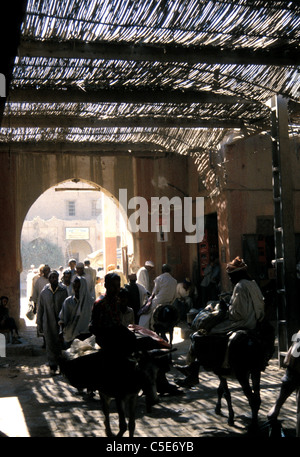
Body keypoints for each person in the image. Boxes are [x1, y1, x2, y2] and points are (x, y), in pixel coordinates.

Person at [176, 256, 265, 387]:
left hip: (242, 321)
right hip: (254, 319)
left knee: (205, 331)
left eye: (230, 276)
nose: (229, 278)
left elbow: (237, 314)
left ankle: (194, 368)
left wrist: (225, 309)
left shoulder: (240, 286)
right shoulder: (252, 283)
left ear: (236, 274)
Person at [89, 273, 137, 358]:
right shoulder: (100, 303)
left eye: (118, 286)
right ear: (106, 285)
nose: (116, 289)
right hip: (106, 340)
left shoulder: (117, 301)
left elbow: (118, 323)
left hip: (117, 335)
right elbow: (93, 327)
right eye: (113, 286)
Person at [37, 270, 68, 375]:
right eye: (52, 277)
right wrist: (39, 323)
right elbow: (40, 308)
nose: (54, 279)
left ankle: (61, 365)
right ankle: (53, 366)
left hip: (60, 323)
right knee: (49, 344)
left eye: (55, 277)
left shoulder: (63, 291)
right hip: (48, 322)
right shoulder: (44, 292)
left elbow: (66, 307)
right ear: (49, 279)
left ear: (58, 278)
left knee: (59, 344)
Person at [59, 275, 94, 348]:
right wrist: (62, 333)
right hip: (71, 336)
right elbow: (62, 319)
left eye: (79, 287)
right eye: (75, 287)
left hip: (86, 336)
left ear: (83, 287)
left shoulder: (90, 302)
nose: (76, 289)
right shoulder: (68, 302)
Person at [139, 264, 177, 330]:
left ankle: (146, 328)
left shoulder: (159, 278)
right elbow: (175, 295)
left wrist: (150, 299)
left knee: (146, 312)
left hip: (159, 301)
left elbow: (154, 292)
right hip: (169, 302)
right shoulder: (174, 281)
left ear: (162, 270)